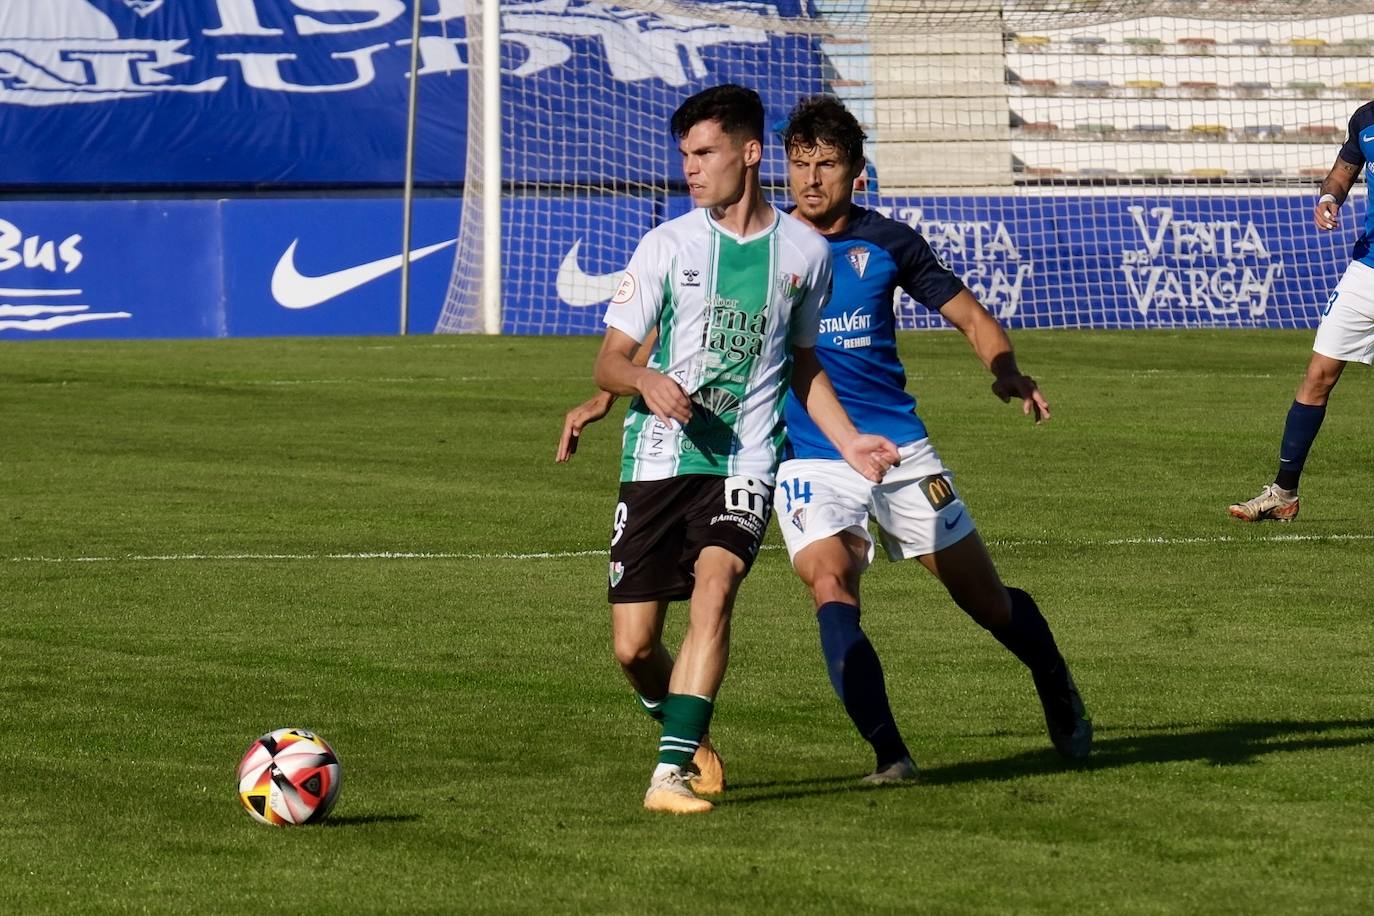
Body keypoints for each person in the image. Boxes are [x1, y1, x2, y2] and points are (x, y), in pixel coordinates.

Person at [562, 95, 1092, 786]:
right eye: (801, 164)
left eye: (828, 166)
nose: (811, 180)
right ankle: (890, 755)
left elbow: (970, 316)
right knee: (828, 582)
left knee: (984, 601)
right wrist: (613, 390)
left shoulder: (879, 244)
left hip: (897, 448)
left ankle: (1051, 673)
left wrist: (1006, 370)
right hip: (808, 454)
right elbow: (677, 324)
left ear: (856, 172)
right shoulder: (749, 243)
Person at [573, 84, 900, 815]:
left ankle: (668, 776)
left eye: (704, 153)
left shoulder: (806, 253)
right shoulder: (666, 245)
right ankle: (684, 731)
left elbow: (803, 364)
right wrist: (643, 379)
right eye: (685, 155)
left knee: (716, 588)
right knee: (633, 648)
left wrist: (849, 442)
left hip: (745, 459)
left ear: (749, 153)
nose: (690, 169)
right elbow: (609, 361)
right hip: (657, 460)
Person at [1229, 100, 1374, 522]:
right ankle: (1283, 494)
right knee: (1317, 377)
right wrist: (1330, 197)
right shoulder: (1366, 119)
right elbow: (1342, 173)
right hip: (1366, 270)